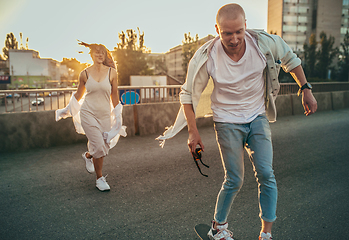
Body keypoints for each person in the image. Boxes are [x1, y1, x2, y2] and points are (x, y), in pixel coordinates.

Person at [156, 3, 317, 240]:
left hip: (257, 117)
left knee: (266, 173)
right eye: (227, 33)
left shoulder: (262, 43)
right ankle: (218, 228)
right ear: (217, 29)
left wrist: (305, 89)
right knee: (235, 179)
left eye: (238, 32)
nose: (233, 39)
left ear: (245, 27)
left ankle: (266, 234)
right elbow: (187, 95)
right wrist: (192, 132)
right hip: (226, 121)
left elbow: (290, 60)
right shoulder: (206, 56)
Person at [56, 41, 126, 191]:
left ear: (105, 55)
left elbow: (114, 96)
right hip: (88, 113)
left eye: (102, 52)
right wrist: (66, 110)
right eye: (96, 52)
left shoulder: (112, 72)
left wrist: (118, 115)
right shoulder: (85, 73)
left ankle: (88, 155)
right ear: (91, 55)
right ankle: (99, 179)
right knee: (99, 146)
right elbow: (78, 95)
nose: (100, 54)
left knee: (103, 146)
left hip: (104, 115)